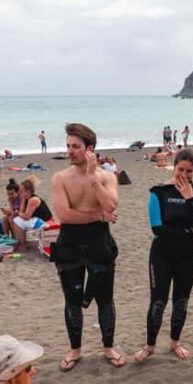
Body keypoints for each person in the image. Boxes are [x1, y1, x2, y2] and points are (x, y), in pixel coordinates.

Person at [49, 123, 123, 371]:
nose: (69, 151)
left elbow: (111, 206)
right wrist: (98, 216)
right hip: (69, 244)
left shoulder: (107, 176)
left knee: (105, 299)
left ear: (89, 149)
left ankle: (108, 347)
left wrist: (93, 180)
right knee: (72, 301)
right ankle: (75, 349)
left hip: (99, 244)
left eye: (75, 146)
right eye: (68, 145)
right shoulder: (60, 178)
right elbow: (65, 215)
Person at [135, 148, 193, 364]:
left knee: (181, 301)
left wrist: (189, 199)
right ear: (174, 166)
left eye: (189, 171)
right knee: (158, 301)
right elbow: (157, 227)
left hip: (188, 255)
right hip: (162, 253)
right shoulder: (158, 192)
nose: (183, 175)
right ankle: (150, 345)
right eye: (180, 169)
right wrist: (186, 231)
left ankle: (175, 342)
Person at [12, 177, 53, 250]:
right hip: (37, 220)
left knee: (17, 220)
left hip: (46, 222)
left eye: (21, 191)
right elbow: (22, 213)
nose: (19, 193)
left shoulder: (33, 200)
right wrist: (23, 200)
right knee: (16, 219)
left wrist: (18, 213)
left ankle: (23, 245)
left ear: (28, 191)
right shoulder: (27, 198)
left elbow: (26, 216)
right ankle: (19, 242)